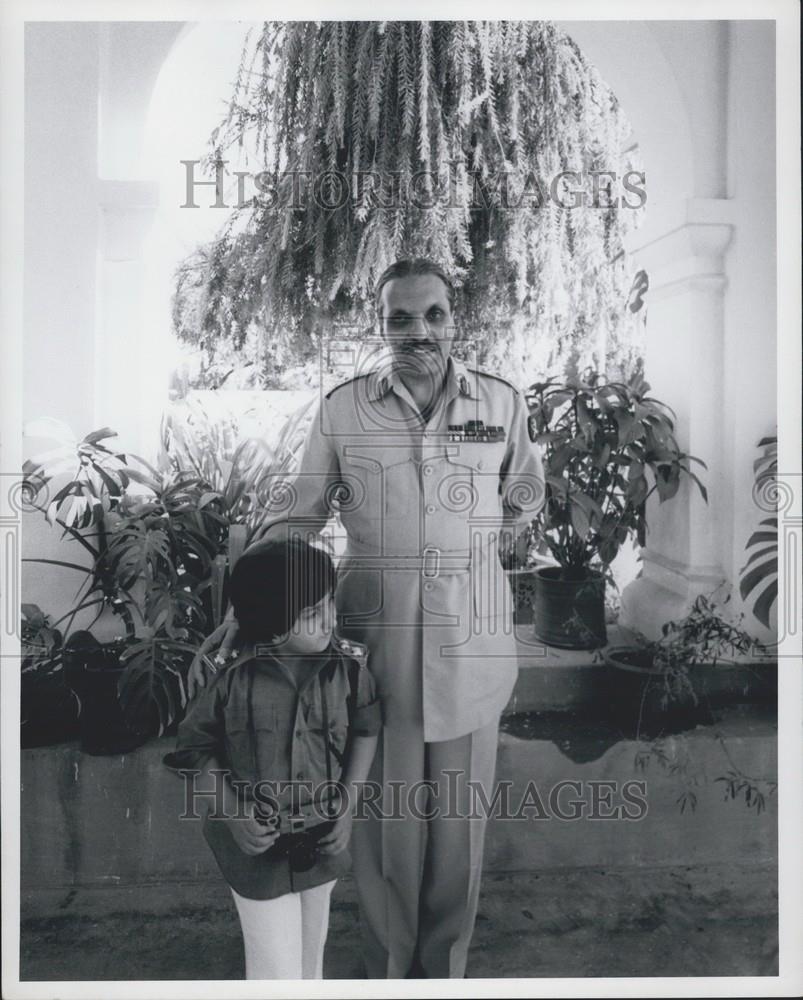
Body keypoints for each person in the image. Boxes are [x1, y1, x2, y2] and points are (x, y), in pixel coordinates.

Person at [188, 257, 545, 978]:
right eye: (400, 318)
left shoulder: (500, 403)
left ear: (454, 317)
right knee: (381, 821)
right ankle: (388, 969)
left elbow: (527, 488)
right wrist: (248, 608)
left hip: (471, 641)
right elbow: (301, 516)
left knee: (457, 822)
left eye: (434, 314)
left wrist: (492, 534)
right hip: (372, 639)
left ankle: (441, 970)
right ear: (380, 326)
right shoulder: (343, 408)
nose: (419, 331)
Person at [165, 537, 381, 980]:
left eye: (329, 605)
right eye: (310, 614)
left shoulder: (349, 670)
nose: (329, 621)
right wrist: (232, 814)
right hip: (254, 854)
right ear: (269, 623)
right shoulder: (228, 679)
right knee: (275, 970)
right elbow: (194, 751)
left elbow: (366, 728)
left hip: (321, 845)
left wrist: (347, 806)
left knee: (310, 961)